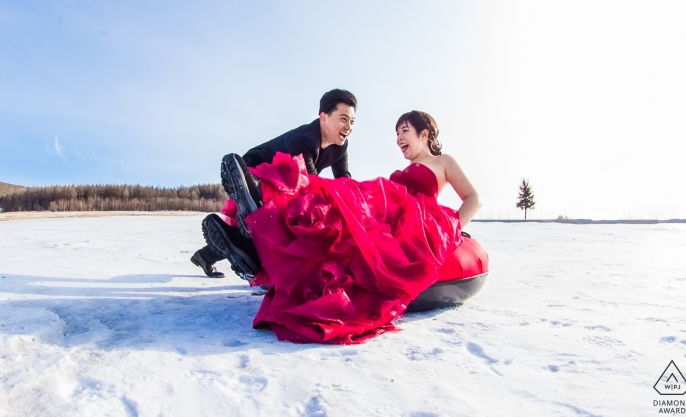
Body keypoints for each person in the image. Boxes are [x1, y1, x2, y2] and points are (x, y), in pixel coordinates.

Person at [222, 110, 482, 344]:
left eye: (404, 131)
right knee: (337, 206)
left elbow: (474, 198)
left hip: (416, 218)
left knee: (344, 195)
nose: (398, 139)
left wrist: (453, 229)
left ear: (423, 133)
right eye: (397, 133)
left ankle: (260, 212)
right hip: (390, 210)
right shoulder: (408, 168)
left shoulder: (443, 161)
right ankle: (262, 213)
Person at [190, 89, 357, 278]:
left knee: (251, 233)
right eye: (343, 119)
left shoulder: (341, 146)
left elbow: (344, 179)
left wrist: (353, 207)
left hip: (286, 182)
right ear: (323, 117)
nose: (349, 127)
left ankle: (205, 256)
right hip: (256, 171)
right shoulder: (304, 138)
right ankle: (254, 200)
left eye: (352, 122)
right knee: (282, 221)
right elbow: (308, 182)